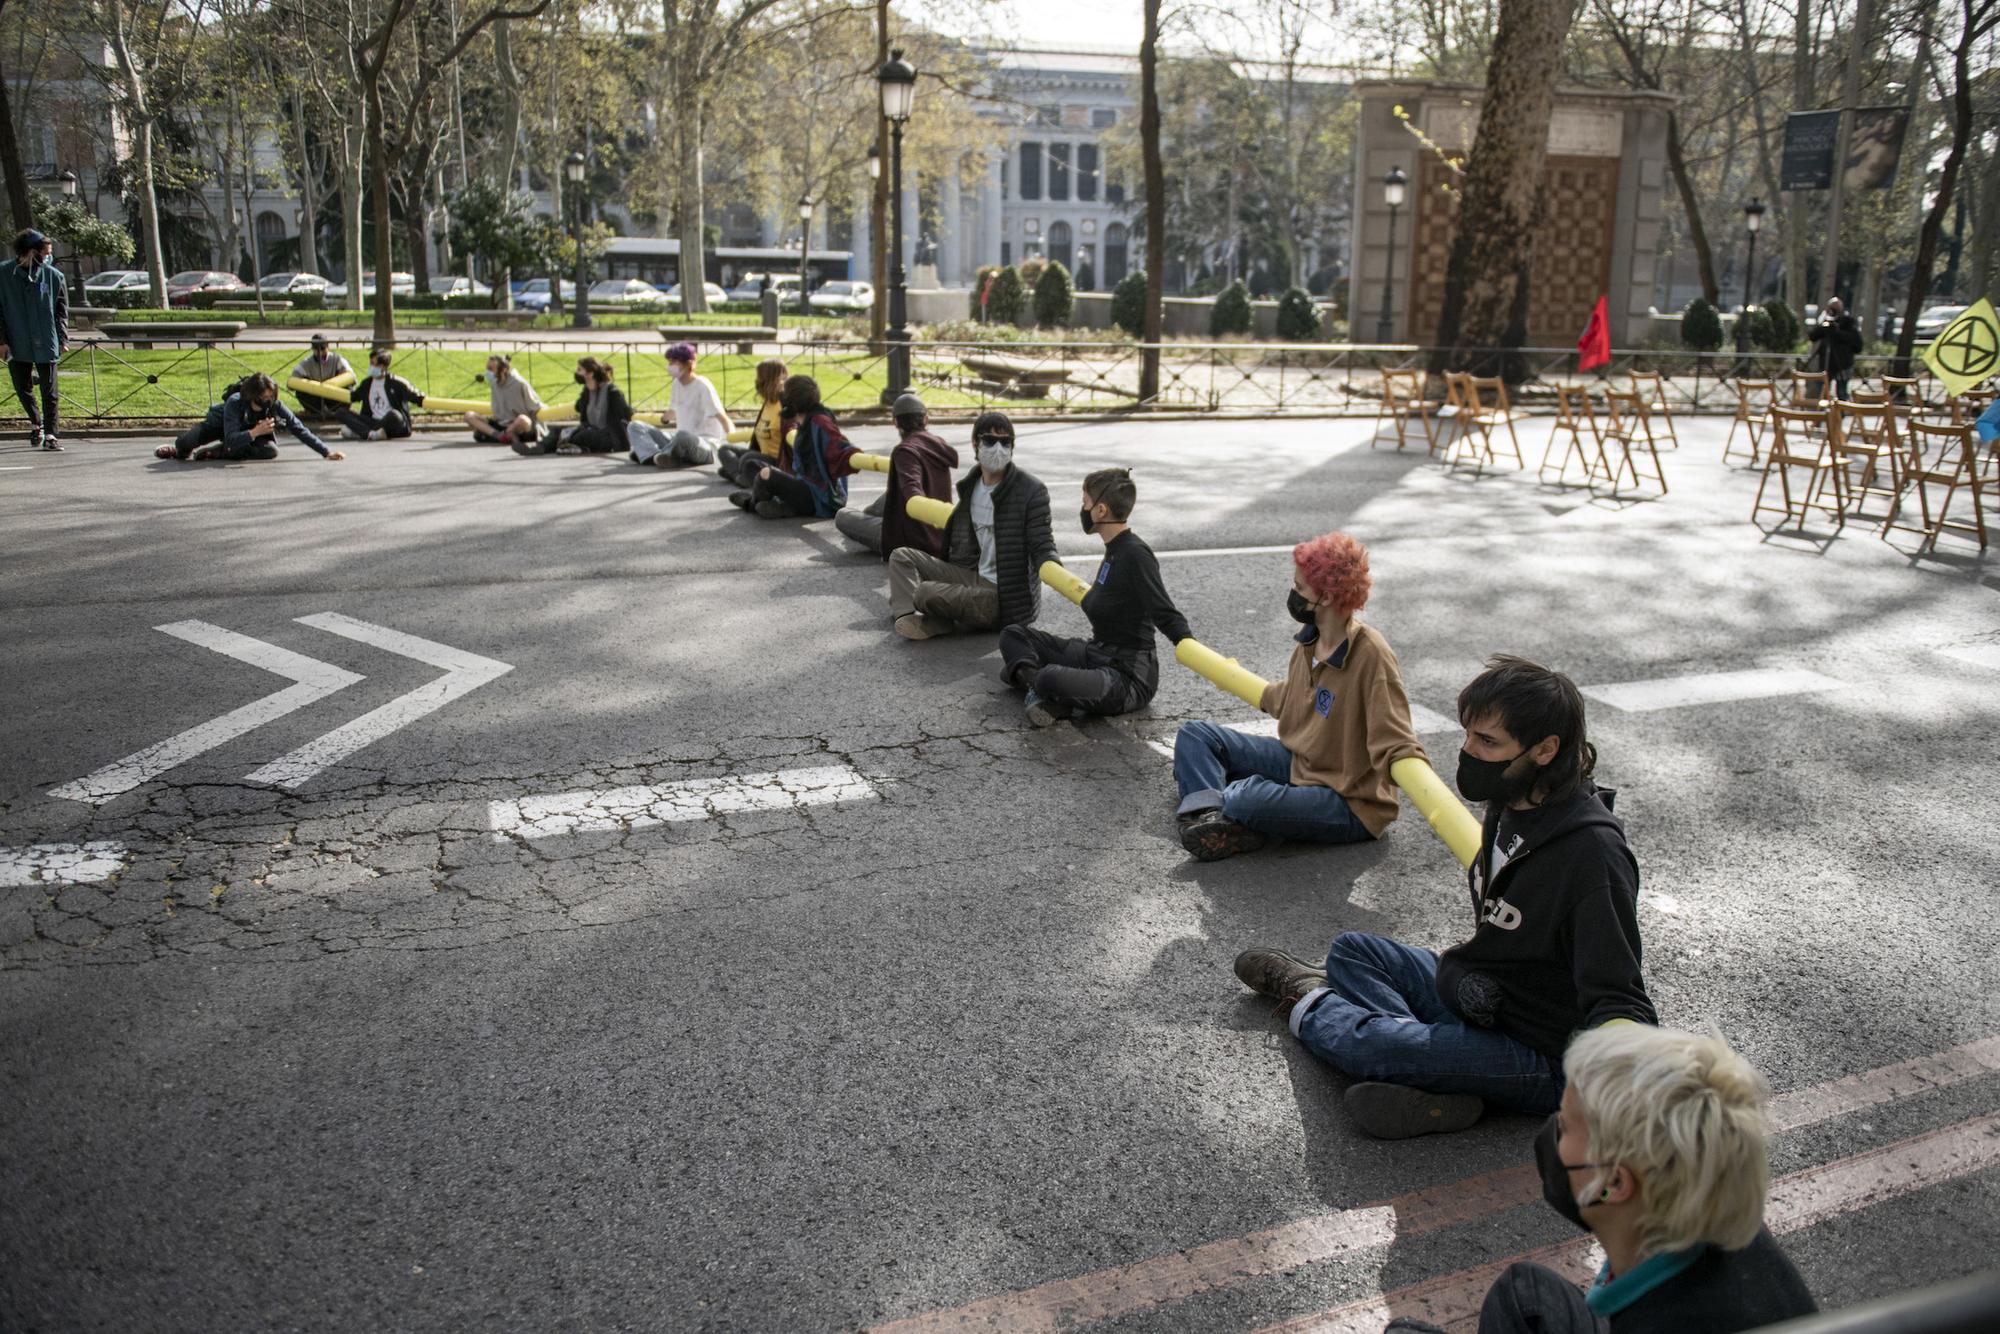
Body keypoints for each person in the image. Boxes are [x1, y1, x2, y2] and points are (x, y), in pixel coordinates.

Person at [1231, 655, 1655, 1139]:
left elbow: (1621, 998)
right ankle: (1445, 1080)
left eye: (1487, 742)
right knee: (1354, 949)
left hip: (1544, 1052)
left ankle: (1311, 1000)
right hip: (1485, 999)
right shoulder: (1512, 802)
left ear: (1544, 750)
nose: (1468, 752)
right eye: (1468, 735)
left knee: (1381, 1048)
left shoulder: (1592, 856)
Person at [1388, 1026, 1817, 1334]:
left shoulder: (1665, 1320)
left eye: (1568, 1126)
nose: (1553, 1131)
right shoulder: (1706, 1210)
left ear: (1613, 1184)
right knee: (1525, 1293)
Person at [1173, 532, 1423, 861]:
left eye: (1300, 588)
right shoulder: (1311, 639)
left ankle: (1218, 810)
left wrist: (1410, 768)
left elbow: (1396, 735)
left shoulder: (1371, 654)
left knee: (1244, 798)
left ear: (1329, 597)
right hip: (1301, 764)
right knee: (1196, 736)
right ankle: (1214, 817)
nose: (1293, 594)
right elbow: (1292, 697)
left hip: (1348, 800)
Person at [997, 468, 1191, 727]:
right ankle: (1043, 691)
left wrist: (1187, 643)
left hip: (1129, 677)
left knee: (1047, 676)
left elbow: (1163, 611)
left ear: (1101, 510)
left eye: (1085, 502)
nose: (1083, 509)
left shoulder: (1136, 554)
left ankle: (1037, 684)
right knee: (1013, 635)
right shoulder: (1114, 549)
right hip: (1096, 653)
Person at [886, 412, 1056, 640]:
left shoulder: (1031, 490)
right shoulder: (972, 485)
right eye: (990, 441)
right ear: (975, 443)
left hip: (1002, 597)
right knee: (901, 556)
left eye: (1006, 442)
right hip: (973, 576)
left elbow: (1043, 543)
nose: (998, 448)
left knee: (925, 592)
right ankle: (909, 617)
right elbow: (955, 541)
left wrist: (1053, 567)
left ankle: (928, 615)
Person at [833, 392, 958, 558]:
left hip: (909, 541)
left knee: (842, 515)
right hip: (939, 535)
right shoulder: (939, 445)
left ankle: (867, 519)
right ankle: (867, 516)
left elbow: (912, 493)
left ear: (895, 423)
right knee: (886, 498)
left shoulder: (905, 452)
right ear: (926, 420)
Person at [732, 374, 858, 519]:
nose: (781, 397)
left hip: (820, 498)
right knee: (753, 465)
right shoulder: (804, 420)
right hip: (806, 486)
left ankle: (752, 503)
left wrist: (851, 454)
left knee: (766, 474)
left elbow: (839, 443)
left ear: (793, 400)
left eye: (785, 393)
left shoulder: (820, 421)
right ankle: (783, 506)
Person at [154, 372, 346, 462]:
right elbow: (230, 435)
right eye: (264, 398)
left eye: (271, 397)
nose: (268, 401)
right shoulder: (235, 402)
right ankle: (177, 450)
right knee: (188, 441)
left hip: (245, 438)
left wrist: (326, 451)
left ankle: (220, 452)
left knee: (271, 450)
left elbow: (298, 428)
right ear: (252, 395)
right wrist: (254, 432)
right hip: (220, 426)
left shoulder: (274, 406)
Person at [0, 228, 68, 452]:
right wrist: (2, 341)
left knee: (50, 391)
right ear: (30, 252)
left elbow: (61, 310)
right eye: (45, 252)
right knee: (22, 387)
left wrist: (62, 338)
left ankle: (51, 434)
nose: (48, 256)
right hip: (17, 340)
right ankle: (36, 422)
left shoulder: (53, 275)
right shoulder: (3, 275)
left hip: (47, 339)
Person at [629, 341, 731, 468]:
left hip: (704, 445)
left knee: (683, 436)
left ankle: (658, 454)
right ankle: (653, 456)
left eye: (674, 362)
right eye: (669, 362)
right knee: (635, 426)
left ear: (688, 364)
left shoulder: (703, 386)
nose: (670, 366)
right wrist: (660, 420)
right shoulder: (676, 384)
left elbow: (722, 417)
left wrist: (731, 445)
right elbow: (672, 412)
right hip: (678, 441)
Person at [524, 356, 631, 455]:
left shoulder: (612, 392)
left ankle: (567, 445)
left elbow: (626, 413)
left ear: (590, 374)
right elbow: (578, 407)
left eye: (580, 370)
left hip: (608, 436)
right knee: (558, 430)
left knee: (584, 435)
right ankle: (540, 448)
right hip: (590, 430)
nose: (576, 373)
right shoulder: (587, 392)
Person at [716, 358, 786, 485]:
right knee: (724, 450)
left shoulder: (783, 405)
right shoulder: (768, 403)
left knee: (747, 459)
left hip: (776, 460)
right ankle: (740, 475)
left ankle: (738, 474)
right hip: (762, 455)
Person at [336, 348, 425, 440]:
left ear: (382, 366)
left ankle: (361, 432)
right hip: (372, 421)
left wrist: (423, 399)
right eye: (370, 363)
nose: (370, 367)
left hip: (391, 422)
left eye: (373, 364)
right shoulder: (367, 383)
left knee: (395, 415)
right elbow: (354, 396)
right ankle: (371, 434)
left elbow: (415, 395)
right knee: (340, 412)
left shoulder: (396, 383)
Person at [465, 354, 543, 446]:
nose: (487, 373)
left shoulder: (520, 383)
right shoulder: (494, 383)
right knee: (469, 415)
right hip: (500, 425)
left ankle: (510, 434)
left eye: (490, 369)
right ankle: (500, 436)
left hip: (519, 425)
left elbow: (535, 408)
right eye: (487, 368)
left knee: (522, 419)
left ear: (503, 370)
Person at [1806, 297, 1863, 402]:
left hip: (1843, 364)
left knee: (1841, 393)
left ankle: (1840, 413)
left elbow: (1856, 343)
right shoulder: (1825, 323)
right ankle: (1823, 412)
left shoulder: (1848, 322)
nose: (1833, 310)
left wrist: (1836, 331)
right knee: (1821, 389)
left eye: (1836, 308)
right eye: (1831, 308)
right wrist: (1823, 325)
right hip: (1826, 364)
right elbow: (1813, 336)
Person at [292, 335, 353, 420]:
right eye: (317, 349)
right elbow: (293, 380)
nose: (320, 353)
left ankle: (340, 411)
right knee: (300, 392)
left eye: (322, 349)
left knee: (350, 389)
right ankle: (314, 412)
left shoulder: (337, 359)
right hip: (316, 396)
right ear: (312, 349)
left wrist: (335, 382)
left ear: (328, 346)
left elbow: (350, 376)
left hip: (334, 394)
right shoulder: (307, 363)